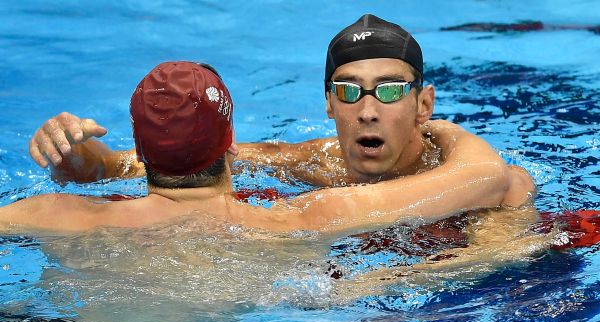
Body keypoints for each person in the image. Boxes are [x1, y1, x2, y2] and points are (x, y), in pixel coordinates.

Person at [28, 14, 534, 208]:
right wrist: (72, 147)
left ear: (424, 103)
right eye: (350, 91)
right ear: (328, 103)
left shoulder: (471, 173)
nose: (368, 111)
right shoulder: (309, 164)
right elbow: (135, 164)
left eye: (389, 91)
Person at [0, 61, 509, 235]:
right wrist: (442, 127)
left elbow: (101, 172)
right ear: (231, 145)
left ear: (138, 145)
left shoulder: (50, 213)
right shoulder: (299, 220)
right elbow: (488, 179)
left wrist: (71, 158)